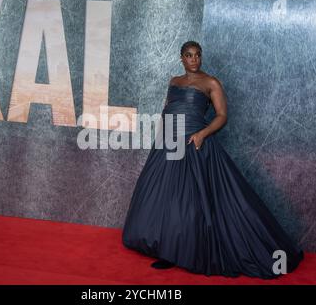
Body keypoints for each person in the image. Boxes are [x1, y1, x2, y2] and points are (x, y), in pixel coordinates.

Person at [121, 41, 304, 279]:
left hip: (194, 143)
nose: (194, 59)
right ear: (181, 58)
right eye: (189, 55)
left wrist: (202, 134)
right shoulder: (174, 82)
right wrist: (161, 137)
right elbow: (168, 109)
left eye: (197, 55)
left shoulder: (211, 83)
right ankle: (168, 250)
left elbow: (222, 116)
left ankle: (186, 251)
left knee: (191, 201)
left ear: (201, 57)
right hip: (168, 144)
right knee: (167, 198)